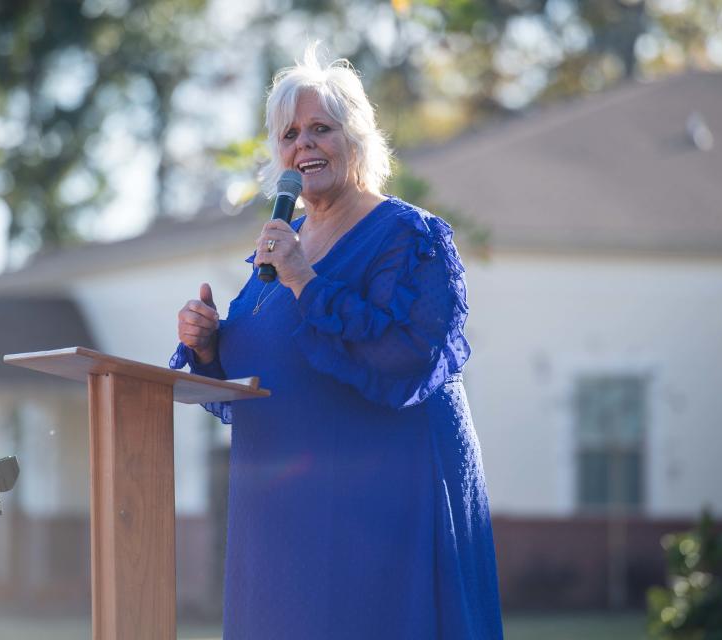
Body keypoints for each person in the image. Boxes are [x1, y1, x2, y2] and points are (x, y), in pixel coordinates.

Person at [171, 45, 503, 639]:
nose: (304, 146)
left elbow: (406, 358)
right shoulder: (283, 241)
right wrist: (207, 344)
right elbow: (268, 351)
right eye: (290, 134)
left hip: (380, 505)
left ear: (358, 137)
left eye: (321, 128)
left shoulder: (408, 236)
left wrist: (304, 279)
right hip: (285, 513)